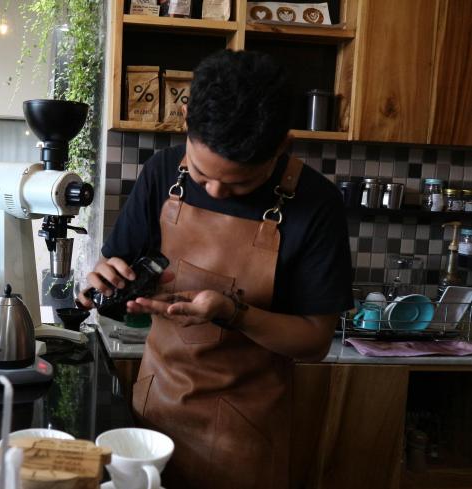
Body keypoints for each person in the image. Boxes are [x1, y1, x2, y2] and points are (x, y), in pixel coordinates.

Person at [78, 50, 353, 488]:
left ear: (284, 144)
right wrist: (102, 277)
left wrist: (233, 313)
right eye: (203, 173)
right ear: (185, 117)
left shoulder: (316, 204)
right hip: (151, 416)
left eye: (242, 182)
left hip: (246, 434)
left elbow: (315, 341)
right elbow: (116, 265)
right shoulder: (162, 170)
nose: (216, 191)